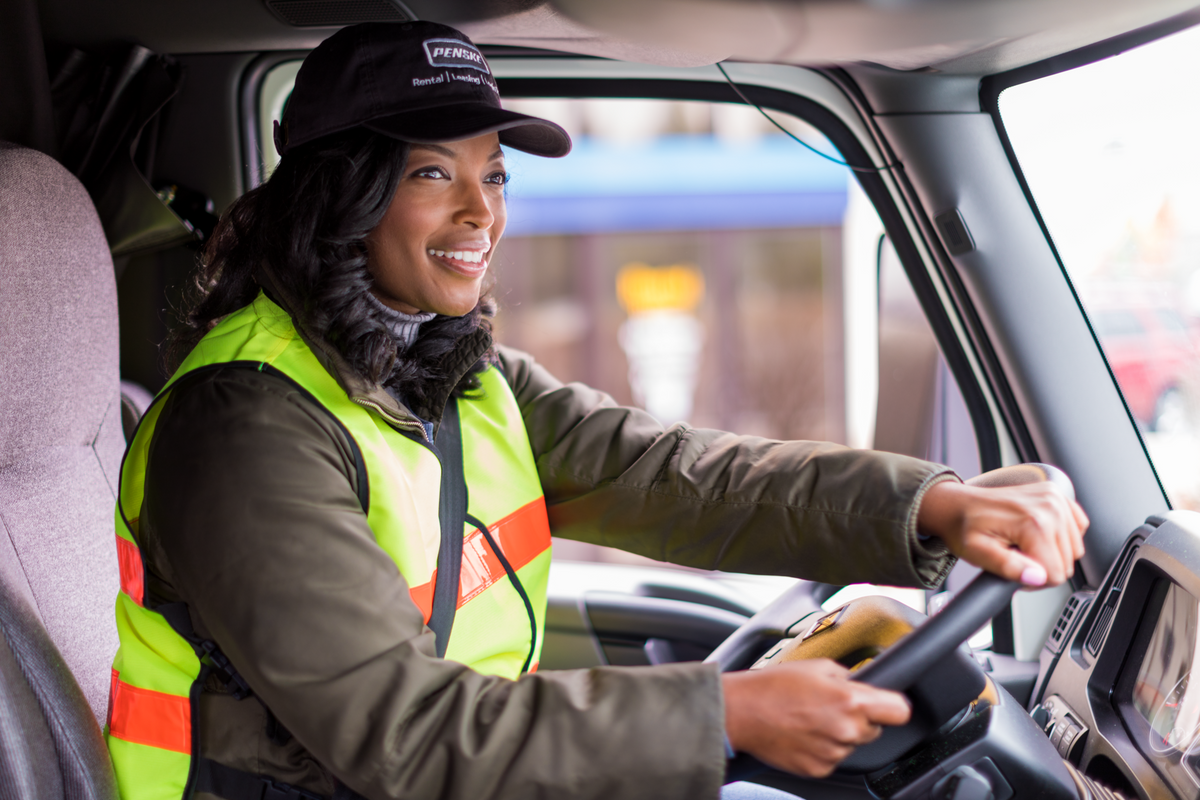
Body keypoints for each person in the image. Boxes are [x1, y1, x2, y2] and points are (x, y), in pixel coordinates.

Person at [105, 21, 1088, 800]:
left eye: (493, 172)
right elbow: (401, 730)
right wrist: (721, 716)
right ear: (340, 196)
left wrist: (928, 507)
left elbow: (672, 474)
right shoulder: (243, 426)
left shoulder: (452, 372)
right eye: (433, 173)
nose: (482, 211)